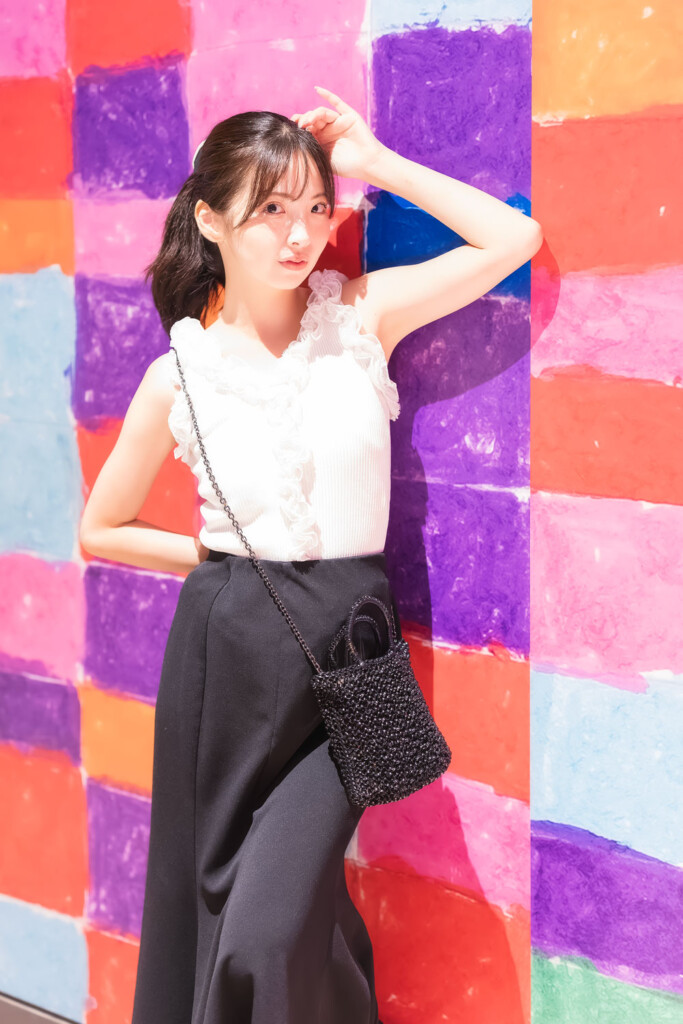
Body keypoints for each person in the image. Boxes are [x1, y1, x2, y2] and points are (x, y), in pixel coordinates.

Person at [79, 85, 542, 1024]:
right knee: (226, 906)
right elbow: (101, 526)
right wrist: (221, 565)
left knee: (266, 927)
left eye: (317, 207)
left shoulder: (360, 317)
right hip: (227, 659)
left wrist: (373, 163)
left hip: (347, 658)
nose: (301, 234)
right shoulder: (178, 375)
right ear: (210, 219)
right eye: (271, 210)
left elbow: (512, 240)